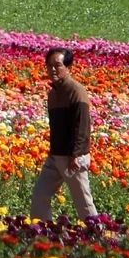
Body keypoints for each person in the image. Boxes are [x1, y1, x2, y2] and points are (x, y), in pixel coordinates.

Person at [31, 48, 98, 222]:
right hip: (55, 156)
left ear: (68, 67)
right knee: (40, 194)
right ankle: (40, 233)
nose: (53, 69)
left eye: (58, 65)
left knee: (83, 200)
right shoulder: (53, 93)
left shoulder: (76, 91)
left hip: (72, 157)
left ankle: (97, 236)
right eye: (49, 65)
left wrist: (75, 155)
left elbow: (81, 126)